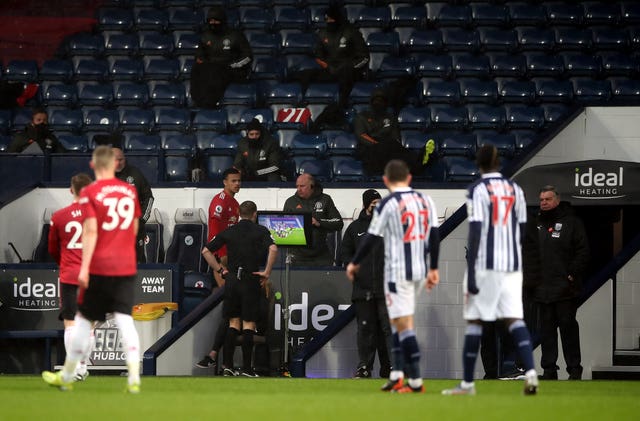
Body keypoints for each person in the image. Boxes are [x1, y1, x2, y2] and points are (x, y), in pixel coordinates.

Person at [42, 145, 142, 393]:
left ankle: (70, 373)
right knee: (124, 320)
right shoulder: (129, 190)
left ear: (94, 165)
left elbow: (90, 231)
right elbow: (135, 227)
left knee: (80, 321)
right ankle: (134, 376)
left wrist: (85, 267)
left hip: (97, 266)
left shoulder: (92, 193)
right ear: (116, 163)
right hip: (124, 263)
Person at [442, 145, 538, 396]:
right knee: (515, 321)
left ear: (479, 164)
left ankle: (466, 385)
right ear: (498, 163)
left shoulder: (477, 190)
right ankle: (529, 374)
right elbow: (524, 229)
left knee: (477, 323)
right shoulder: (515, 189)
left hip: (487, 265)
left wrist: (472, 273)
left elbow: (475, 233)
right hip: (512, 266)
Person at [346, 159, 440, 394]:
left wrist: (354, 263)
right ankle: (401, 376)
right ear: (409, 178)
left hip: (397, 273)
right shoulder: (425, 200)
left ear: (387, 181)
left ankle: (410, 378)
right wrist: (434, 268)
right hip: (417, 272)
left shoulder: (389, 204)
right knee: (401, 326)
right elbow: (434, 235)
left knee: (399, 328)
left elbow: (370, 238)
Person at [202, 200, 278, 377]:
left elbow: (206, 251)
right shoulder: (260, 230)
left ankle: (227, 366)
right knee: (249, 324)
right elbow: (273, 249)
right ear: (254, 214)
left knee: (233, 322)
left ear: (238, 214)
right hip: (250, 280)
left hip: (232, 281)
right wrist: (266, 272)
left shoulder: (229, 231)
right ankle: (246, 369)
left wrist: (221, 270)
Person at [528, 185, 589, 380]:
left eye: (547, 199)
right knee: (546, 332)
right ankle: (549, 369)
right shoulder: (534, 223)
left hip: (565, 289)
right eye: (541, 200)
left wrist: (571, 273)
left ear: (556, 200)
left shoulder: (571, 223)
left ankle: (574, 369)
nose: (544, 203)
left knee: (568, 329)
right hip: (541, 289)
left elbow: (583, 250)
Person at [48, 172, 94, 381]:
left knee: (70, 322)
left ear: (70, 190)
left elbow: (51, 248)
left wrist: (64, 263)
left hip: (69, 274)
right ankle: (82, 367)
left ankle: (73, 367)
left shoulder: (59, 216)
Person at [341, 189, 391, 379]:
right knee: (365, 330)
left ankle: (391, 368)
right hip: (362, 289)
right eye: (373, 203)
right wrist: (351, 266)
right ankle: (364, 367)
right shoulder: (355, 228)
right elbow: (345, 254)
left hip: (386, 289)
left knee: (388, 330)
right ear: (366, 205)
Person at [196, 167, 241, 372]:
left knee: (231, 309)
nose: (237, 184)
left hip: (230, 259)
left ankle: (216, 356)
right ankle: (216, 356)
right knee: (230, 309)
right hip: (221, 260)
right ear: (224, 182)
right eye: (233, 181)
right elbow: (215, 234)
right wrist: (221, 259)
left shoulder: (235, 204)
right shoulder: (220, 202)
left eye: (239, 181)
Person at [291, 3, 369, 108]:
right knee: (303, 75)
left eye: (331, 19)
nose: (329, 22)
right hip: (329, 69)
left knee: (346, 75)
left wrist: (350, 67)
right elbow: (319, 56)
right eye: (327, 19)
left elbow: (364, 57)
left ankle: (341, 106)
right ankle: (301, 104)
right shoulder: (323, 34)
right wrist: (328, 67)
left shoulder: (352, 33)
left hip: (349, 70)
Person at [94, 134, 155, 264]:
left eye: (121, 159)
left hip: (134, 229)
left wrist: (143, 219)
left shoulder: (135, 173)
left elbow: (148, 197)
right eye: (115, 160)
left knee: (137, 262)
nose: (118, 163)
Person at [353, 88, 435, 177]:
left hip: (388, 148)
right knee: (388, 152)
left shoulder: (391, 118)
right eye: (376, 100)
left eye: (381, 100)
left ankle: (420, 159)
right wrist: (377, 144)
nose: (378, 102)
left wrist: (395, 146)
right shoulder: (362, 117)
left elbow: (396, 137)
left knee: (399, 152)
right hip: (369, 149)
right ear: (371, 101)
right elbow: (361, 135)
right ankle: (418, 163)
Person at [190, 6, 252, 108]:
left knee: (217, 72)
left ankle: (210, 103)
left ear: (222, 21)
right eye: (211, 21)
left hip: (232, 68)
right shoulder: (206, 36)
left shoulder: (235, 36)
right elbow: (199, 55)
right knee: (196, 69)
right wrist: (204, 63)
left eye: (216, 21)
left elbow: (248, 56)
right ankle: (197, 101)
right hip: (211, 67)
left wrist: (234, 65)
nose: (213, 23)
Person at [283, 173, 343, 266]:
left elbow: (338, 223)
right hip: (298, 255)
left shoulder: (325, 199)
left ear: (312, 186)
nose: (298, 189)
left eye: (302, 186)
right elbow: (284, 226)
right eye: (297, 186)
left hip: (321, 254)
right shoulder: (290, 202)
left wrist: (318, 222)